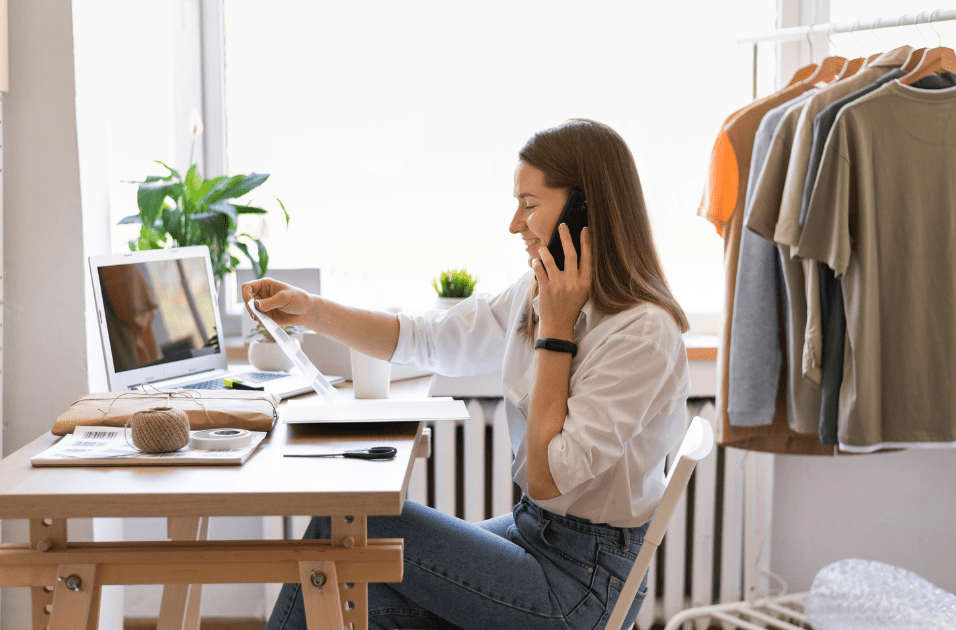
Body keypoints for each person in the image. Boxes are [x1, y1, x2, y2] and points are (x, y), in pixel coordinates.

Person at [245, 118, 690, 630]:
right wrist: (312, 312)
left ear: (583, 210)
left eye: (528, 205)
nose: (514, 225)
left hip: (581, 586)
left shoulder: (641, 334)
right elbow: (427, 339)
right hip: (536, 538)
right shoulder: (538, 291)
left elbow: (545, 480)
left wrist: (556, 334)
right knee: (360, 604)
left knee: (346, 522)